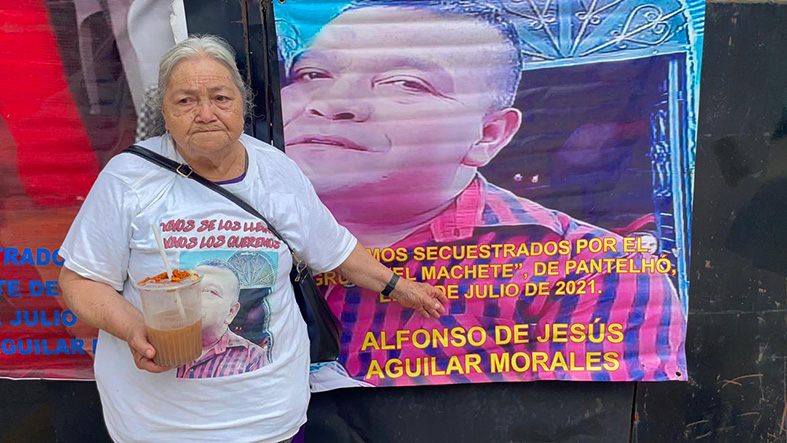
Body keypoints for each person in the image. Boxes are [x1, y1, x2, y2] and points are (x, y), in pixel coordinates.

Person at [58, 35, 447, 442]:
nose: (205, 113)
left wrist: (399, 286)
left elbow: (334, 249)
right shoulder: (129, 179)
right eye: (186, 101)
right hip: (160, 427)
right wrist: (132, 328)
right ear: (165, 112)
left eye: (220, 98)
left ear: (242, 104)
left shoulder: (276, 171)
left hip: (270, 418)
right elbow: (80, 280)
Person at [280, 1, 687, 388]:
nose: (332, 104)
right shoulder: (251, 234)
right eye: (312, 75)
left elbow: (588, 420)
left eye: (406, 83)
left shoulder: (593, 271)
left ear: (489, 135)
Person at [176, 262, 269, 379]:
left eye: (210, 291)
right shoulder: (167, 345)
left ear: (231, 312)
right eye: (191, 288)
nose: (194, 297)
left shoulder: (252, 357)